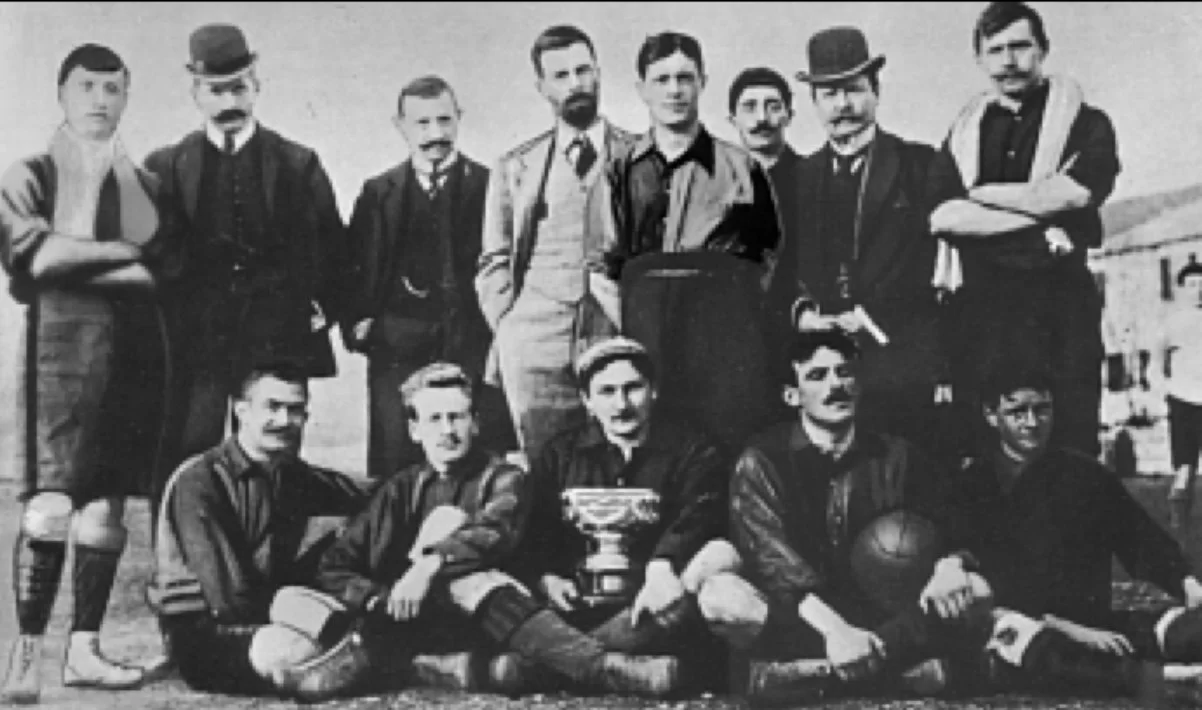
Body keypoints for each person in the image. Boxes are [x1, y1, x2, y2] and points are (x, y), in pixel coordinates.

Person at [313, 362, 676, 698]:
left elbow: (493, 532)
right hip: (412, 620)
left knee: (472, 578)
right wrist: (381, 597)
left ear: (475, 423)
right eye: (434, 419)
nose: (447, 430)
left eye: (457, 417)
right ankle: (435, 668)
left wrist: (429, 565)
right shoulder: (399, 489)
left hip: (495, 620)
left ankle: (601, 668)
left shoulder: (504, 477)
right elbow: (334, 565)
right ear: (414, 430)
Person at [0, 44, 176, 701]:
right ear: (62, 93)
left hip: (132, 348)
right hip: (60, 347)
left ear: (126, 96)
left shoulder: (144, 182)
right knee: (50, 505)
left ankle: (84, 652)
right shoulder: (30, 174)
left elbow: (160, 269)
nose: (99, 100)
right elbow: (33, 258)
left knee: (106, 506)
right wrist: (119, 252)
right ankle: (25, 657)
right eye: (86, 86)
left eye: (112, 88)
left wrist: (80, 256)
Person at [716, 329, 993, 704]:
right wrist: (836, 632)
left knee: (977, 590)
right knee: (721, 598)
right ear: (791, 395)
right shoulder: (761, 460)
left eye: (844, 372)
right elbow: (774, 564)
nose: (836, 385)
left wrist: (950, 564)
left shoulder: (898, 454)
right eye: (818, 376)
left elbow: (953, 522)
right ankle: (895, 674)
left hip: (883, 617)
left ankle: (822, 675)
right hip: (805, 618)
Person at [145, 23, 347, 479]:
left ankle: (270, 529)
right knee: (189, 451)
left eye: (238, 88)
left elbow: (334, 247)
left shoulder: (297, 163)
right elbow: (154, 254)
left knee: (273, 454)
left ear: (257, 86)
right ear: (195, 94)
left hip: (274, 335)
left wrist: (319, 309)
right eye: (215, 91)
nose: (228, 103)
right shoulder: (166, 167)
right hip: (198, 338)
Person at [928, 1, 1121, 458]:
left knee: (1069, 442)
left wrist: (980, 196)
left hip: (1059, 308)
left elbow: (1076, 193)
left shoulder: (1085, 122)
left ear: (1043, 50)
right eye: (995, 51)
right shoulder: (963, 132)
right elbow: (943, 216)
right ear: (979, 59)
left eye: (1020, 47)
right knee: (986, 447)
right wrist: (1039, 213)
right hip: (983, 310)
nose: (1008, 61)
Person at [945, 360, 1202, 696]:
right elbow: (990, 585)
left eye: (1042, 409)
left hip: (1099, 624)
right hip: (1031, 630)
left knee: (1191, 628)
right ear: (992, 416)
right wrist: (1067, 629)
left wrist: (1185, 582)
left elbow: (1140, 538)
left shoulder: (1086, 474)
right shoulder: (974, 485)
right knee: (1023, 643)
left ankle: (1140, 663)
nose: (1032, 422)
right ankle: (1171, 680)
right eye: (1017, 412)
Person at [515, 337, 746, 695]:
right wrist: (547, 580)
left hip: (656, 606)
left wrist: (663, 564)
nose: (621, 404)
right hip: (580, 608)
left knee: (715, 560)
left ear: (654, 391)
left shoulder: (693, 449)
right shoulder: (559, 455)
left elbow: (703, 512)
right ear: (587, 400)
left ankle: (553, 667)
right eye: (606, 392)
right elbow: (534, 533)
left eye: (632, 388)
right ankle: (616, 668)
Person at [766, 26, 953, 464]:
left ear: (876, 92)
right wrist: (804, 314)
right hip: (823, 374)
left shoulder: (919, 164)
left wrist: (869, 318)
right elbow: (780, 268)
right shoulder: (793, 179)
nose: (843, 105)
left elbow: (935, 266)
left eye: (853, 90)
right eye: (829, 94)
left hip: (898, 363)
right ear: (814, 103)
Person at [594, 32, 782, 450]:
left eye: (685, 78)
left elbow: (768, 258)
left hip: (726, 335)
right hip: (648, 333)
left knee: (725, 440)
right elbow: (601, 269)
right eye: (661, 79)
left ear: (702, 83)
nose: (675, 90)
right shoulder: (618, 171)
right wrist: (639, 322)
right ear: (642, 88)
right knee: (658, 443)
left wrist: (731, 314)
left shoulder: (742, 167)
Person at [146, 363, 368, 696]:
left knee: (355, 542)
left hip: (270, 608)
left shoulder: (288, 473)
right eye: (272, 407)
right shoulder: (200, 480)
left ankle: (342, 656)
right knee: (288, 650)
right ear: (242, 411)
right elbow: (228, 599)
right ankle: (338, 662)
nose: (284, 420)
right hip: (208, 631)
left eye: (295, 410)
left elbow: (370, 497)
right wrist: (307, 613)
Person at [341, 75, 514, 480]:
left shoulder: (491, 185)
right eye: (422, 123)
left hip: (472, 342)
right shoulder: (378, 193)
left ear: (459, 118)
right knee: (396, 463)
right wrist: (362, 325)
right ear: (400, 125)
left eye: (444, 120)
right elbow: (351, 265)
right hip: (397, 346)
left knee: (476, 457)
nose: (436, 134)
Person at [476, 24, 636, 461]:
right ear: (542, 87)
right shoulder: (516, 165)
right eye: (561, 75)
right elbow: (494, 258)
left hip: (616, 330)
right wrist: (509, 326)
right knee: (546, 465)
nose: (575, 84)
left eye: (583, 71)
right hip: (535, 342)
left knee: (620, 458)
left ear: (598, 73)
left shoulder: (639, 154)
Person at [1159, 255, 1202, 532]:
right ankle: (1179, 530)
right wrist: (1166, 389)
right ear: (1183, 289)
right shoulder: (1173, 323)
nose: (1199, 290)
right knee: (1185, 469)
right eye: (1193, 284)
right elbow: (1156, 361)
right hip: (1184, 402)